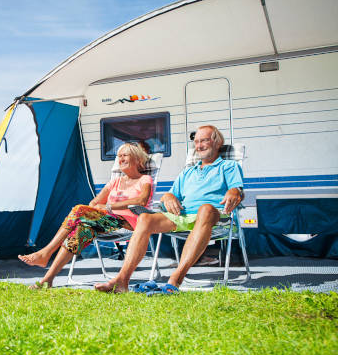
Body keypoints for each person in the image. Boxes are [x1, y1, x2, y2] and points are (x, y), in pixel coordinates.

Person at [95, 125, 244, 294]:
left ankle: (175, 280)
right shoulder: (187, 172)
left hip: (213, 216)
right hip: (184, 215)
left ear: (217, 143)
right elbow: (170, 195)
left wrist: (235, 191)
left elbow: (237, 190)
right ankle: (121, 281)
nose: (199, 145)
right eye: (197, 142)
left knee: (206, 209)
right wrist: (168, 197)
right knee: (145, 218)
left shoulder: (228, 166)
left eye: (204, 140)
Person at [18, 142, 154, 288]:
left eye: (124, 155)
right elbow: (94, 203)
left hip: (129, 224)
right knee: (81, 230)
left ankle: (46, 252)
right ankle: (48, 279)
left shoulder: (144, 180)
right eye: (118, 156)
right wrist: (98, 209)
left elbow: (141, 200)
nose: (120, 159)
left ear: (137, 159)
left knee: (79, 209)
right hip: (106, 222)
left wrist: (109, 207)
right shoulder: (115, 182)